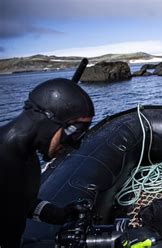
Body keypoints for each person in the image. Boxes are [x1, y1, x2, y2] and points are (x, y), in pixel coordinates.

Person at [0, 78, 95, 247]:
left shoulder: (27, 158)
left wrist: (60, 214)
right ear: (47, 119)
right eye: (75, 132)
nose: (76, 143)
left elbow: (17, 204)